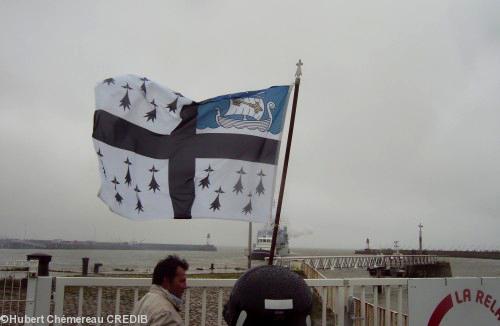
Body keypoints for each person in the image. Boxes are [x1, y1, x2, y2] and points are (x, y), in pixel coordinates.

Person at [132, 255, 189, 326]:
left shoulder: (143, 301)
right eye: (182, 281)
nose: (185, 286)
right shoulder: (166, 314)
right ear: (166, 281)